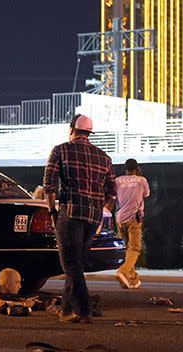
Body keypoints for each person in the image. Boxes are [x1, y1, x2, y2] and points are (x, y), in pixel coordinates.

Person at [43, 114, 116, 324]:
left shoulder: (61, 150)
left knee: (70, 263)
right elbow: (112, 191)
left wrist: (51, 210)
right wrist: (100, 209)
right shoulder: (104, 157)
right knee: (76, 263)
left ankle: (84, 310)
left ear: (71, 129)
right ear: (89, 133)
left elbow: (49, 183)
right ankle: (66, 310)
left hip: (71, 212)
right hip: (93, 217)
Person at [114, 158, 150, 289]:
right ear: (137, 168)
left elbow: (112, 197)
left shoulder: (117, 181)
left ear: (125, 169)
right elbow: (146, 194)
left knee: (128, 250)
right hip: (133, 219)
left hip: (119, 219)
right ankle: (122, 272)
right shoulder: (142, 180)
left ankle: (133, 279)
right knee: (135, 248)